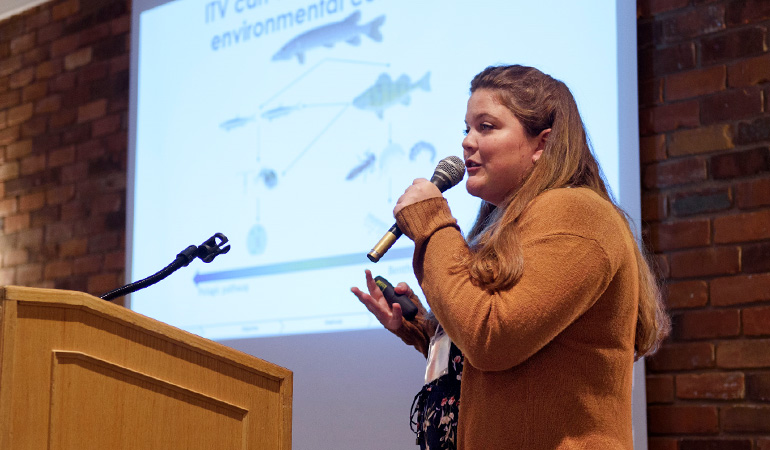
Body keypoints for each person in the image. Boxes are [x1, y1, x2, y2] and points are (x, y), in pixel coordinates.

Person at [351, 64, 671, 450]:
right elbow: (506, 352)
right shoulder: (510, 221)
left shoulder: (577, 214)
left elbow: (492, 338)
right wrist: (423, 327)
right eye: (466, 129)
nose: (467, 142)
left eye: (486, 127)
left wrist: (434, 225)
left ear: (542, 144)